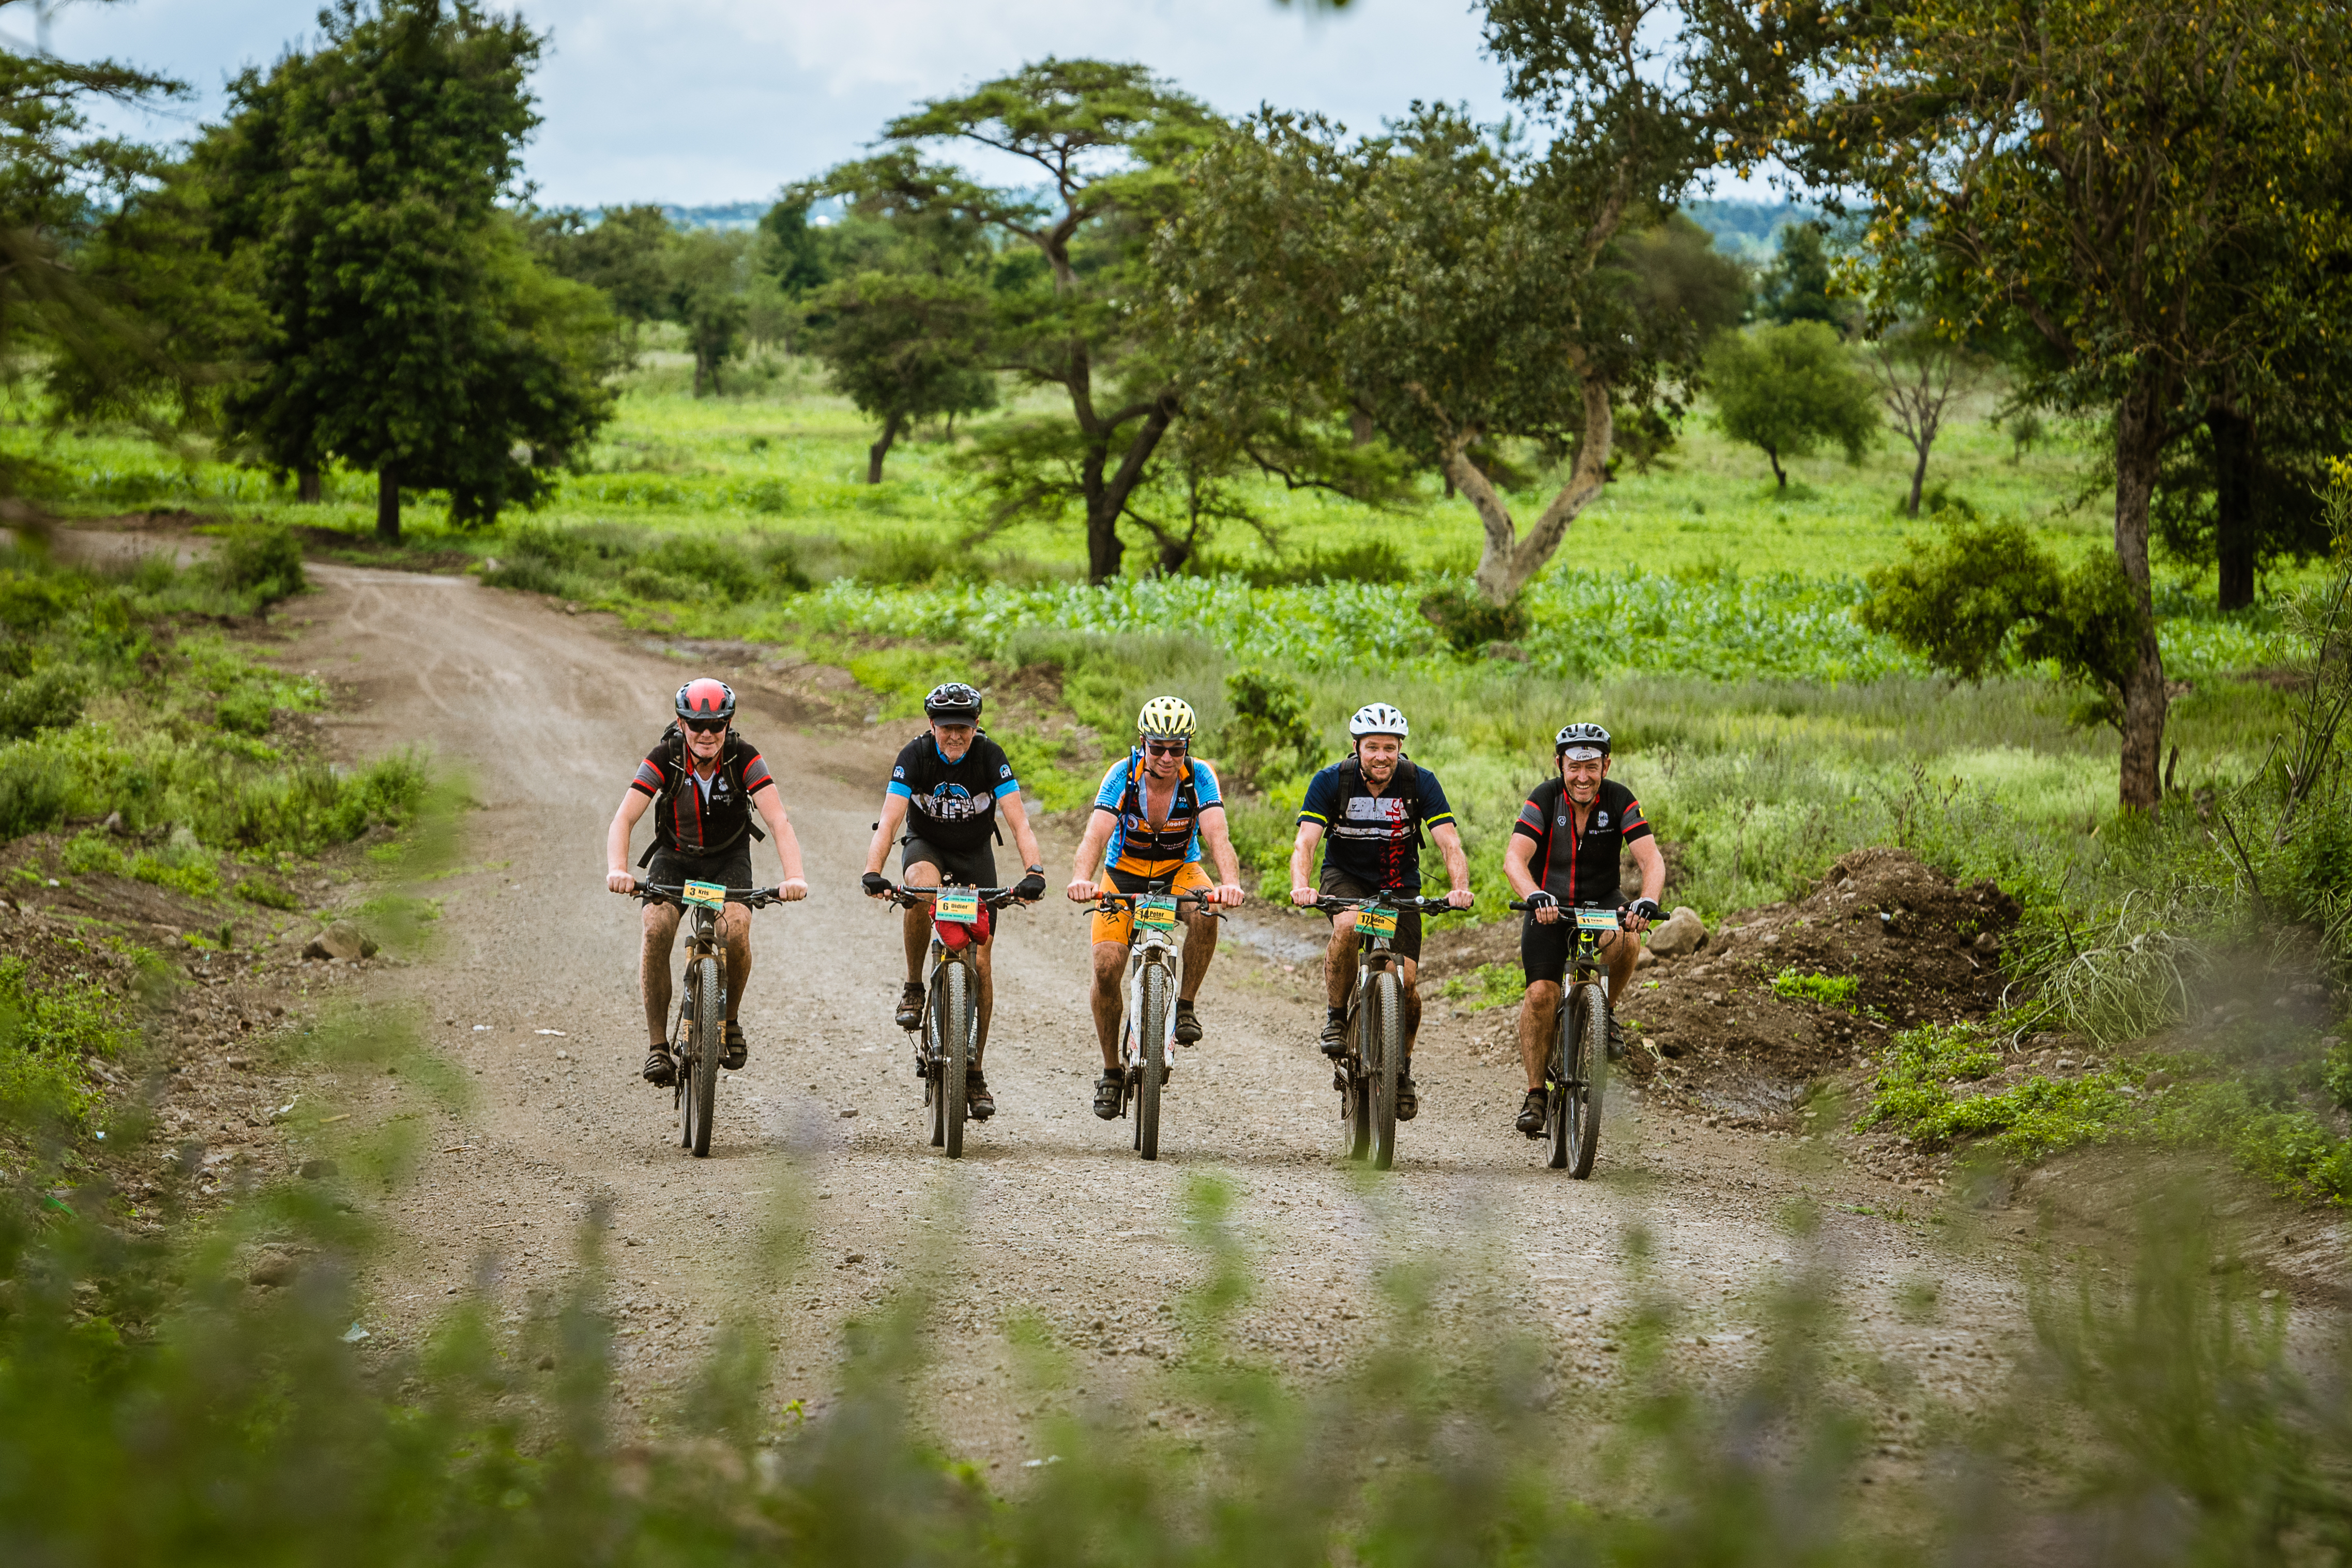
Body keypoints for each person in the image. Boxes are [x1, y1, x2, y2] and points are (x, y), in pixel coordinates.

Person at [606, 678, 810, 1087]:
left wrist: (795, 877)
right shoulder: (666, 756)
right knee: (655, 929)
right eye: (696, 724)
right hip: (674, 856)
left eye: (716, 725)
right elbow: (624, 817)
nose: (706, 734)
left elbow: (778, 820)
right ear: (681, 724)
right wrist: (619, 868)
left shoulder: (744, 758)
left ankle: (729, 1020)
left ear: (728, 724)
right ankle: (657, 1046)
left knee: (735, 931)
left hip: (728, 860)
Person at [859, 681, 1046, 1120]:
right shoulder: (915, 756)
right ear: (932, 725)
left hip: (974, 855)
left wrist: (1034, 871)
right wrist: (872, 870)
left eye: (963, 727)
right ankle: (913, 987)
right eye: (946, 728)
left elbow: (1019, 823)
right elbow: (888, 822)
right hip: (927, 845)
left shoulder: (990, 757)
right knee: (920, 890)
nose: (955, 736)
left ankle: (975, 1072)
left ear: (976, 725)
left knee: (980, 964)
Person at [1287, 702, 1474, 1121]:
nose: (1381, 756)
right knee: (1350, 925)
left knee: (1405, 984)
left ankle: (1400, 1069)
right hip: (1345, 876)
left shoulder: (1418, 782)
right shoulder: (1331, 781)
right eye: (1372, 747)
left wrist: (1459, 888)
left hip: (1398, 883)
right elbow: (1306, 843)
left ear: (1399, 748)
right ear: (1356, 747)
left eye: (1389, 747)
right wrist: (1302, 885)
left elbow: (1449, 843)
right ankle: (1337, 1018)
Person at [1065, 696, 1247, 1120]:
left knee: (1205, 910)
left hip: (1177, 870)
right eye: (1158, 747)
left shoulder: (1200, 776)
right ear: (1142, 742)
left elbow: (1218, 836)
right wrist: (1080, 877)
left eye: (1177, 748)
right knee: (1107, 967)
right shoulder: (1121, 775)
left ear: (1187, 748)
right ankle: (1111, 1072)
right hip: (1123, 874)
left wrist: (1231, 883)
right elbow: (1095, 835)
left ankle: (1185, 1005)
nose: (1167, 757)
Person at [1505, 722, 1665, 1137]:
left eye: (1591, 767)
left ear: (1605, 765)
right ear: (1559, 764)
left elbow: (1651, 859)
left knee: (1630, 934)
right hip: (1550, 906)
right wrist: (1534, 894)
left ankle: (1604, 1010)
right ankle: (1536, 1093)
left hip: (1602, 901)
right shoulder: (1543, 797)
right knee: (1541, 994)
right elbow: (1514, 859)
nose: (1582, 776)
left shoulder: (1620, 798)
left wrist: (1647, 899)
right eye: (1574, 766)